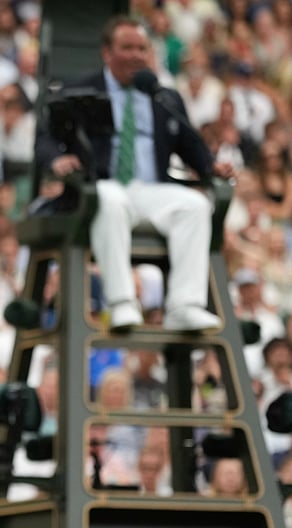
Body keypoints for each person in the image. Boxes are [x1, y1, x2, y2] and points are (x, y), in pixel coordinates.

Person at [37, 16, 235, 332]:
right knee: (109, 197)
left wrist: (211, 167)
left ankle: (185, 305)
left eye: (141, 48)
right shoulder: (80, 90)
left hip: (151, 190)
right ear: (107, 52)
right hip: (99, 188)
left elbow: (190, 144)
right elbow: (45, 137)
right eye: (127, 47)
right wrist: (59, 160)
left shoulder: (164, 96)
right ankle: (122, 303)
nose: (136, 55)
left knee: (195, 206)